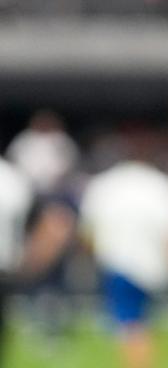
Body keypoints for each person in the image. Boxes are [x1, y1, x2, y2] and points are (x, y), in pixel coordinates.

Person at [79, 132, 168, 368]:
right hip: (153, 269)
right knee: (139, 325)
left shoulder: (103, 185)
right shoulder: (163, 186)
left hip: (118, 266)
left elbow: (88, 235)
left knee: (131, 327)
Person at [0, 156, 75, 364]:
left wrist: (33, 262)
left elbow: (55, 221)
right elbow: (57, 222)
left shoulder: (12, 180)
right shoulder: (11, 178)